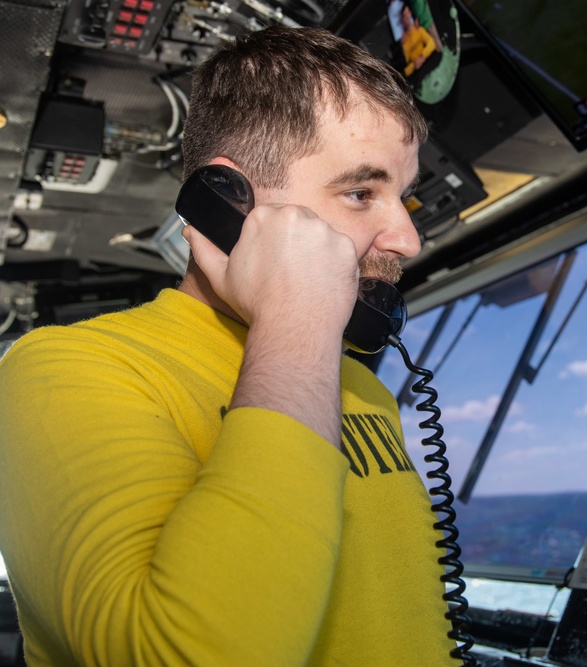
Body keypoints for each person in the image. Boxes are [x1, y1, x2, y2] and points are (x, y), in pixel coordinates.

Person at [0, 25, 461, 666]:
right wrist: (296, 324)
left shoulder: (358, 384)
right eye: (361, 192)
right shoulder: (62, 370)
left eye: (402, 198)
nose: (408, 239)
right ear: (230, 200)